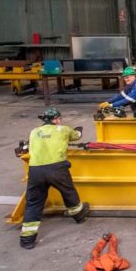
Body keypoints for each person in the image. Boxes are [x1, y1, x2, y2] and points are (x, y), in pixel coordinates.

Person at [19, 107, 89, 250]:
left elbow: (30, 146)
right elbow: (77, 136)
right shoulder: (63, 129)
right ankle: (79, 216)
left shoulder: (34, 131)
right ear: (56, 119)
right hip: (57, 169)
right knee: (68, 192)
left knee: (34, 203)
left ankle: (27, 239)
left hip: (36, 170)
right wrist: (79, 129)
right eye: (59, 119)